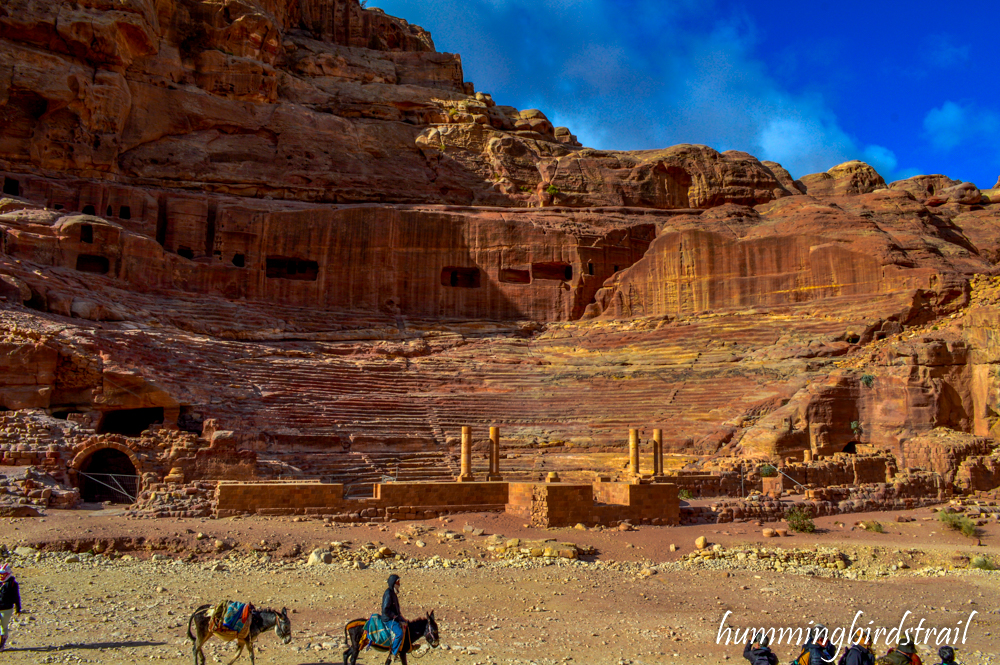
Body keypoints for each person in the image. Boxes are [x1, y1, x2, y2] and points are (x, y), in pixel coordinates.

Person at [381, 574, 405, 655]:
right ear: (393, 583)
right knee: (399, 633)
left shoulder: (393, 593)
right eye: (397, 582)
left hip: (395, 617)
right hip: (388, 619)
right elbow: (385, 609)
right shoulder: (388, 594)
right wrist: (394, 616)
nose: (399, 584)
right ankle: (394, 652)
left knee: (407, 625)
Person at [0, 563, 21, 651]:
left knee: (3, 627)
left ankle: (1, 645)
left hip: (7, 609)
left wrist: (18, 608)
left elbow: (16, 597)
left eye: (3, 575)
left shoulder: (13, 584)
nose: (1, 576)